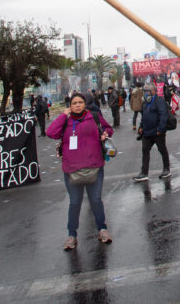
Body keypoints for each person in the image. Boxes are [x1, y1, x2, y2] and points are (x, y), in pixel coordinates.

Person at [46, 92, 114, 250]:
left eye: (80, 102)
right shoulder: (66, 121)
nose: (77, 105)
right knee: (75, 202)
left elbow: (108, 129)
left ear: (85, 104)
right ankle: (72, 235)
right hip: (72, 169)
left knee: (96, 200)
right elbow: (51, 133)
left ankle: (102, 229)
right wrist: (63, 116)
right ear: (70, 106)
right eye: (74, 103)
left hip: (94, 166)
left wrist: (105, 134)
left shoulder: (94, 117)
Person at [132, 84, 171, 181]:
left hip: (157, 132)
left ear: (154, 91)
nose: (145, 93)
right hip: (147, 132)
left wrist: (160, 129)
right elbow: (144, 116)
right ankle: (144, 172)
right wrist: (141, 127)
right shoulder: (145, 103)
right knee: (145, 151)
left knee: (162, 150)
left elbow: (163, 115)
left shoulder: (159, 101)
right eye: (144, 91)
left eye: (147, 91)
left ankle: (166, 169)